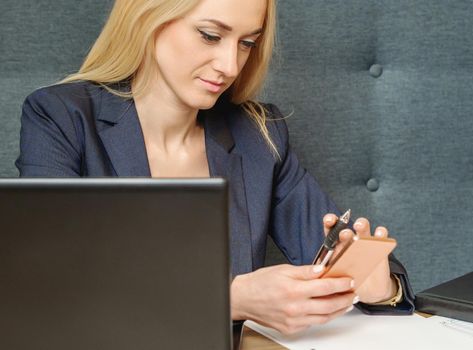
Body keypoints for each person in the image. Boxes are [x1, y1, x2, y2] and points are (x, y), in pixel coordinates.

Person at [16, 0, 415, 334]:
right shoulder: (61, 117)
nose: (230, 65)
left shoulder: (259, 136)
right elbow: (49, 289)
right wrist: (231, 299)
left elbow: (347, 256)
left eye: (246, 43)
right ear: (148, 17)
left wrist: (378, 283)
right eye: (210, 35)